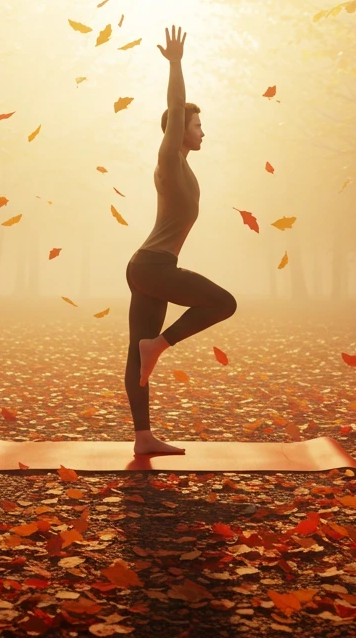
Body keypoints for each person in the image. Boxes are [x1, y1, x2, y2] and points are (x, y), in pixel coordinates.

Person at [124, 25, 238, 455]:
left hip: (149, 268)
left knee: (138, 355)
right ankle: (160, 345)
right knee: (223, 303)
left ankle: (143, 439)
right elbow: (174, 105)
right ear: (178, 130)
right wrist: (176, 63)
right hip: (152, 267)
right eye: (197, 124)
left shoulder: (186, 168)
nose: (203, 131)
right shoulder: (170, 159)